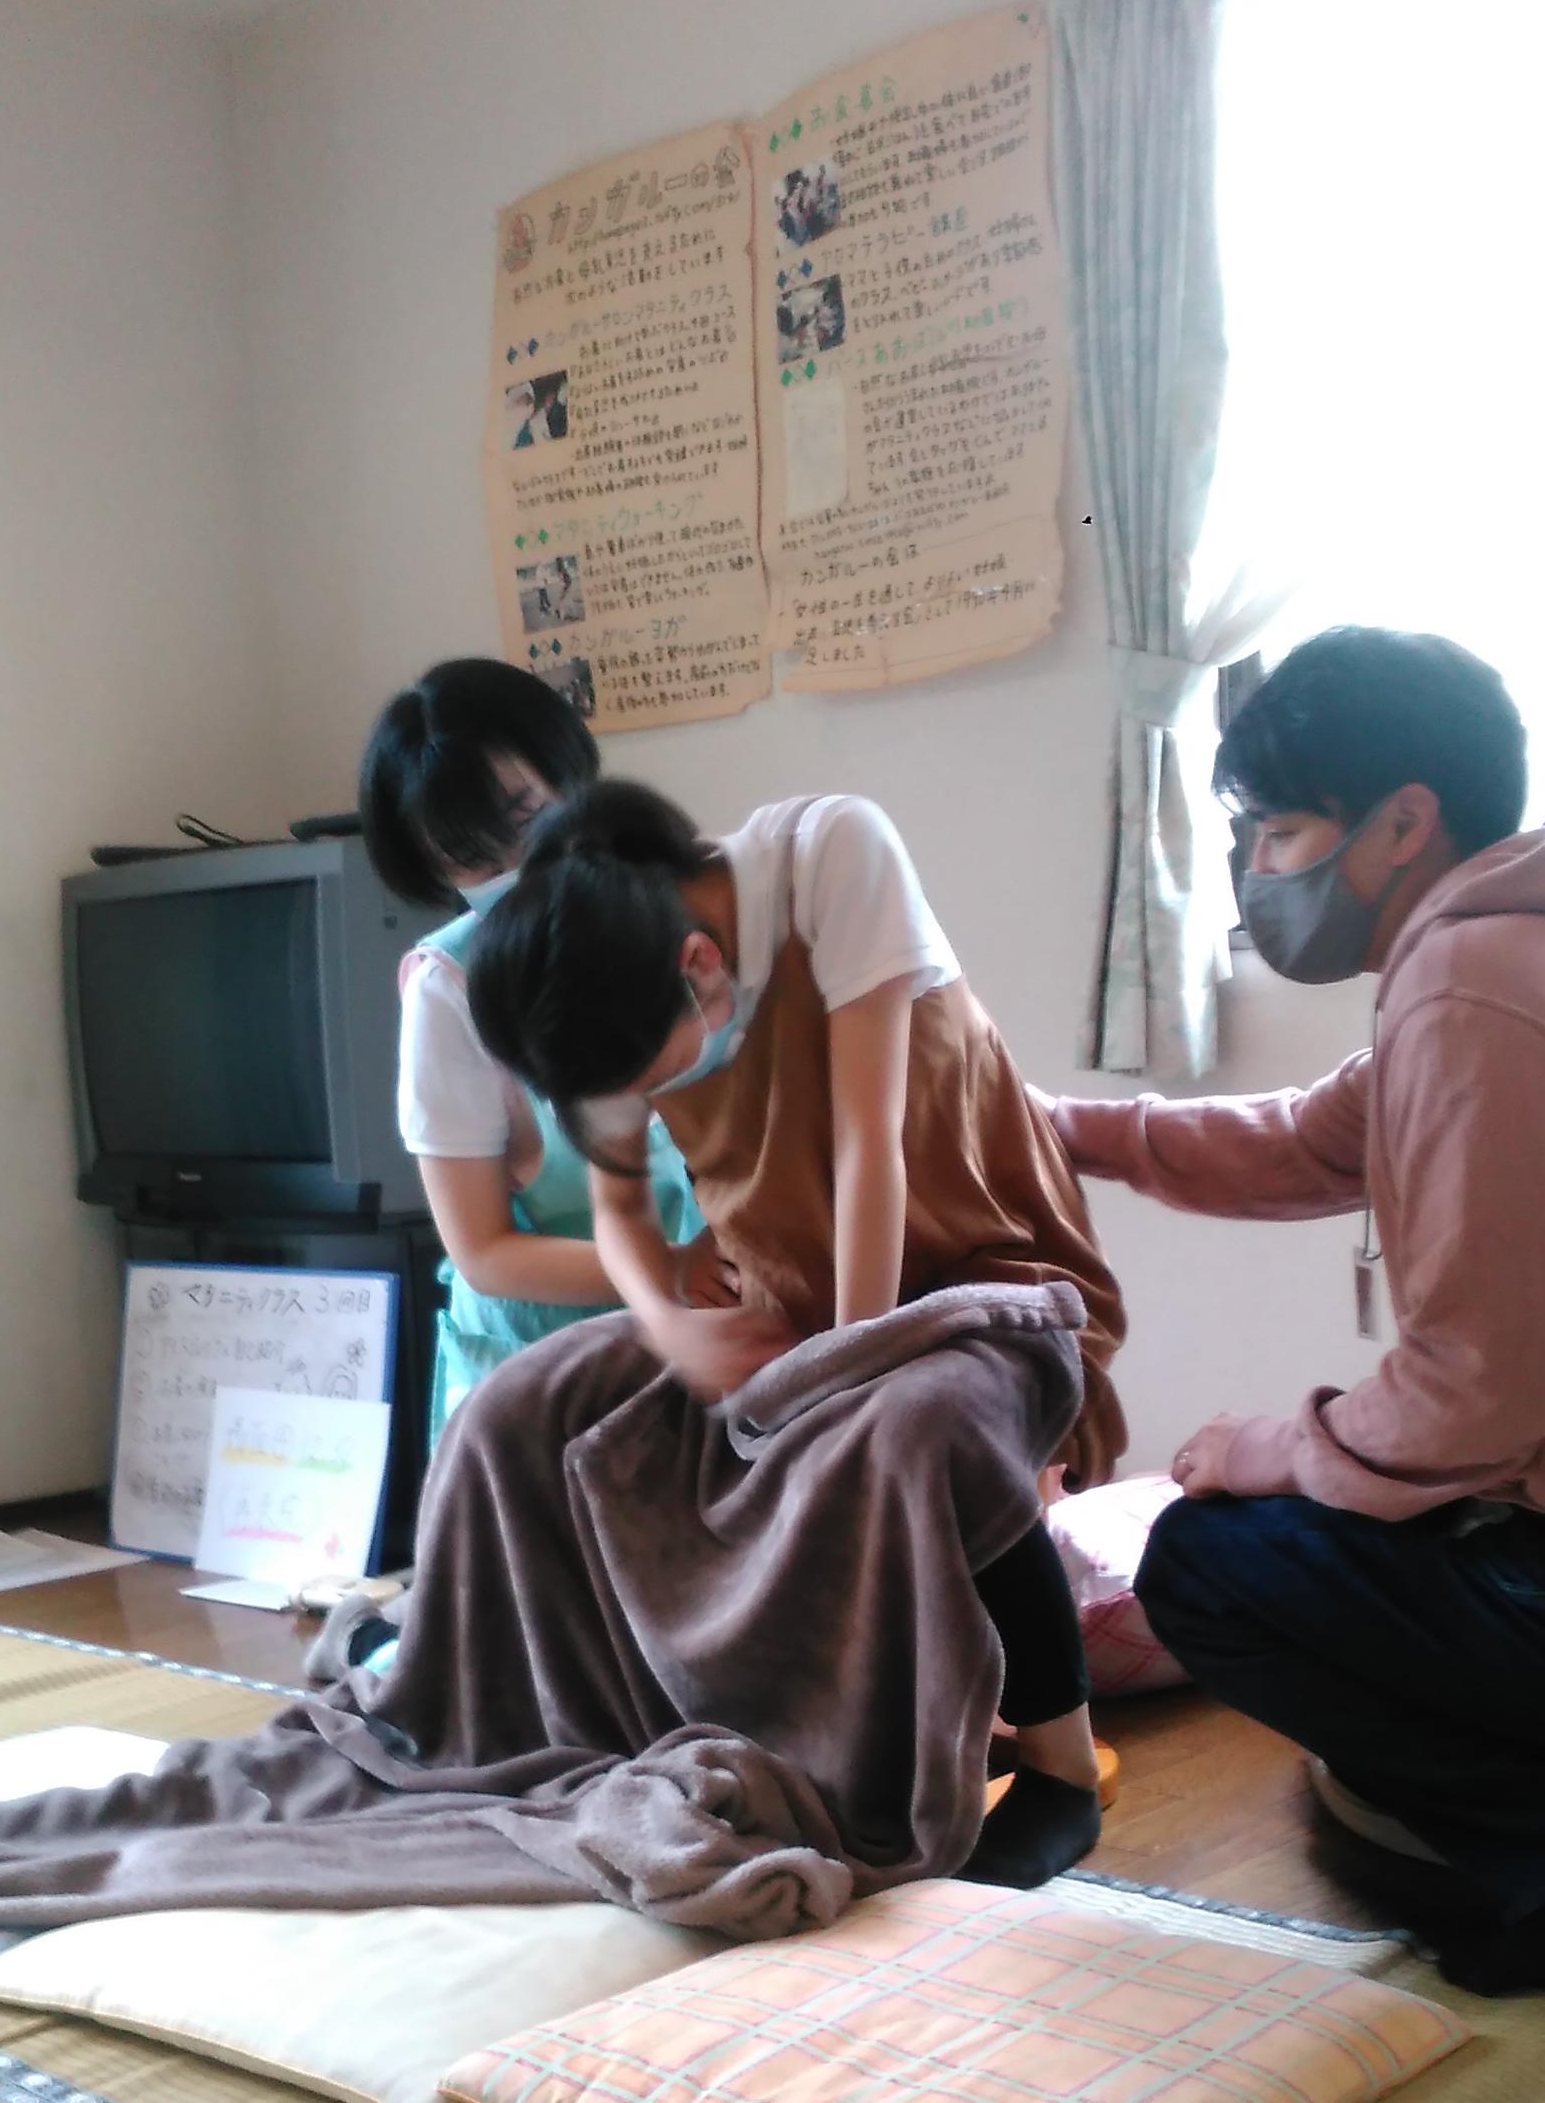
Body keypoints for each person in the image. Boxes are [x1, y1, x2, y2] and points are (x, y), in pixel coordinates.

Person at [1043, 626, 1545, 1993]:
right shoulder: (1540, 944)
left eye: (1281, 832)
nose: (1261, 870)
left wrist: (1265, 1446)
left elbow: (1477, 1401)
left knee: (1206, 1562)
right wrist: (1062, 1129)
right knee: (1323, 1519)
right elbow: (1310, 1140)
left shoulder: (1477, 992)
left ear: (1405, 823)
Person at [465, 780, 1129, 1886]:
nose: (638, 1103)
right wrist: (676, 1334)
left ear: (701, 966)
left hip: (980, 1275)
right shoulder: (609, 980)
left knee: (910, 1423)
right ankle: (588, 1726)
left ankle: (1059, 1765)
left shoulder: (831, 855)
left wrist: (845, 1371)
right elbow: (623, 1217)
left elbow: (870, 1144)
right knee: (525, 1405)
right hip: (777, 1294)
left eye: (644, 1081)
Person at [358, 658, 702, 1449]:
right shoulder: (451, 989)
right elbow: (483, 1252)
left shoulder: (657, 915)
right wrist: (672, 1271)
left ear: (571, 777)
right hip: (540, 1379)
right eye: (473, 860)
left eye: (528, 822)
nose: (516, 868)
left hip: (690, 1328)